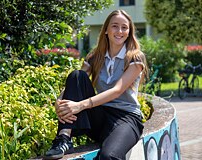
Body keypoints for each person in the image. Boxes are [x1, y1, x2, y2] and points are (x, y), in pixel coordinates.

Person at [44, 9, 148, 160]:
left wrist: (80, 105)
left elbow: (117, 90)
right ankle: (64, 139)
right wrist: (59, 103)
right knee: (76, 75)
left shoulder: (134, 58)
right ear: (106, 29)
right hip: (100, 117)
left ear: (129, 31)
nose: (119, 31)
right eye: (114, 26)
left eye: (124, 27)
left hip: (126, 118)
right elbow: (76, 82)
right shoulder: (95, 56)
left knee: (108, 156)